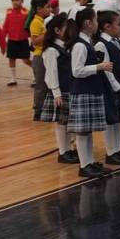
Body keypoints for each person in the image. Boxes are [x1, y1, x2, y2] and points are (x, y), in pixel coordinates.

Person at [66, 6, 113, 178]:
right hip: (83, 91)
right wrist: (99, 66)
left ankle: (90, 162)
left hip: (90, 90)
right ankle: (84, 164)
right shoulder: (80, 45)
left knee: (87, 130)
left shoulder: (86, 42)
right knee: (82, 131)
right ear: (87, 23)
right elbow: (76, 71)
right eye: (94, 20)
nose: (96, 23)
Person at [94, 10, 120, 166]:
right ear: (107, 26)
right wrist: (117, 87)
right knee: (110, 121)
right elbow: (106, 69)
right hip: (110, 89)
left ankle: (117, 148)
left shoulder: (118, 41)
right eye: (118, 24)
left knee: (118, 120)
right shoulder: (101, 44)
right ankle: (110, 152)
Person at [39, 13, 79, 164]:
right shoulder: (51, 50)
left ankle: (69, 149)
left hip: (69, 89)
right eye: (66, 28)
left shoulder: (66, 47)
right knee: (62, 123)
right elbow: (51, 73)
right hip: (60, 91)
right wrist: (56, 92)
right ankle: (63, 152)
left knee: (68, 122)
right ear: (57, 30)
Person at [2, 0, 31, 87]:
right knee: (11, 59)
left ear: (22, 0)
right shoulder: (9, 12)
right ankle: (13, 78)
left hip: (23, 40)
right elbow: (5, 26)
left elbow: (29, 27)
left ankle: (36, 76)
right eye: (13, 0)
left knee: (26, 60)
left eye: (17, 0)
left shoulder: (26, 12)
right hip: (12, 40)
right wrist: (3, 38)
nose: (15, 2)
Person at [29, 0, 51, 117]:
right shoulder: (36, 22)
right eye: (47, 7)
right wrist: (49, 32)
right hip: (39, 56)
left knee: (47, 84)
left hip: (45, 55)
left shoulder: (43, 21)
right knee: (41, 85)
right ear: (39, 8)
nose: (50, 9)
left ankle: (45, 109)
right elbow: (35, 41)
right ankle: (38, 111)